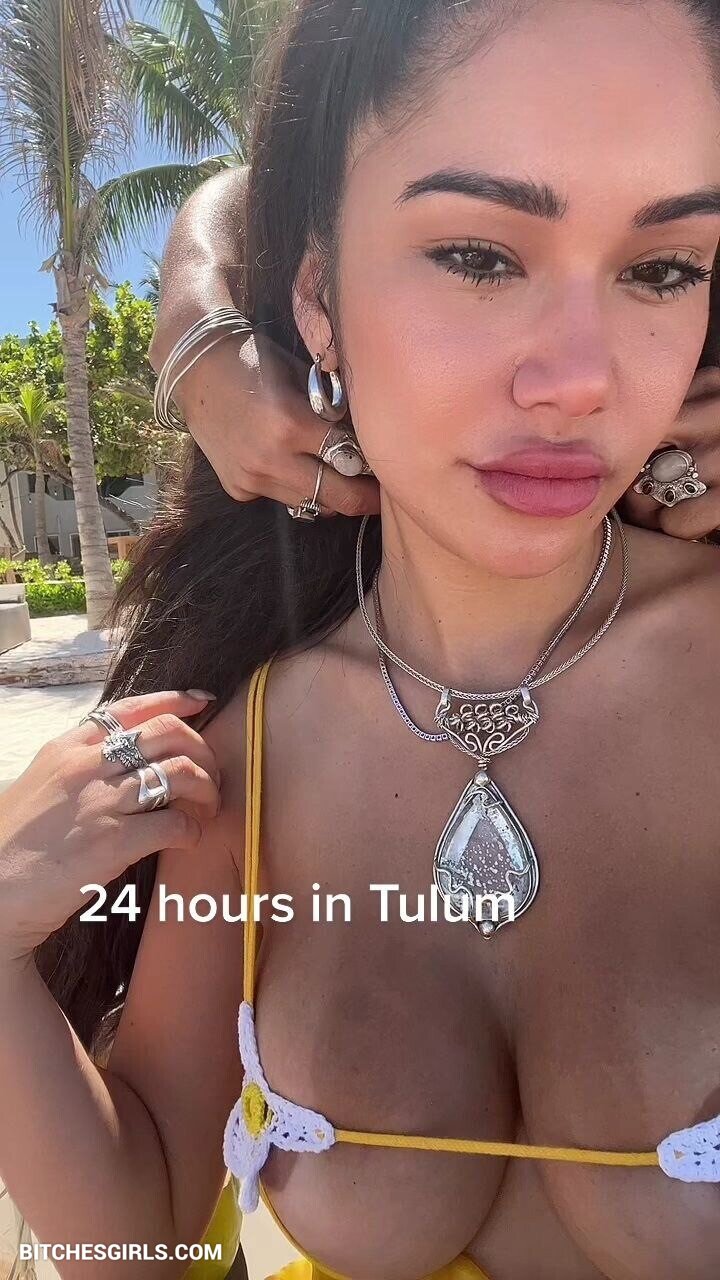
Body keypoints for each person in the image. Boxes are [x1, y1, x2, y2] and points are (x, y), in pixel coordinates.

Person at [1, 2, 720, 1279]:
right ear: (318, 300)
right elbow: (137, 1239)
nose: (581, 377)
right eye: (478, 255)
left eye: (661, 270)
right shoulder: (248, 755)